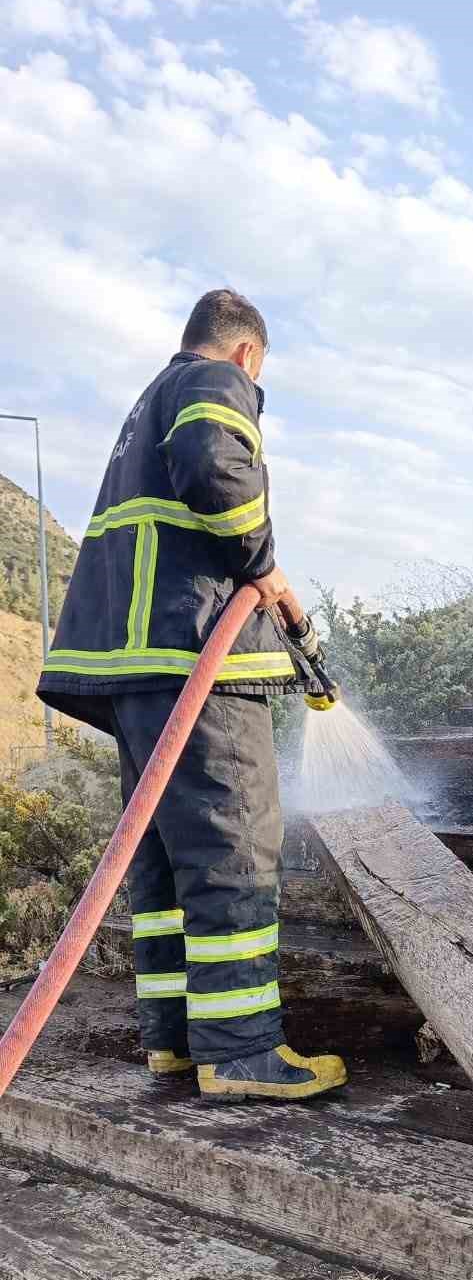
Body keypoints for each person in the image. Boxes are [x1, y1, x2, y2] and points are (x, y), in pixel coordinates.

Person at [37, 289, 347, 1103]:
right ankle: (241, 1051)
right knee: (231, 845)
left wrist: (270, 588)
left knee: (166, 859)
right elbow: (215, 464)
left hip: (138, 668)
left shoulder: (146, 403)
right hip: (192, 655)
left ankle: (175, 1039)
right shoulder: (214, 381)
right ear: (249, 354)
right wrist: (263, 563)